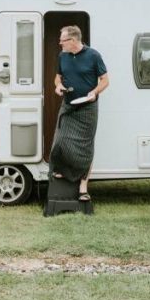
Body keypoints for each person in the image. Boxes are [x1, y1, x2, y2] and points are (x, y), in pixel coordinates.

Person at [50, 25, 108, 202]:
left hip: (87, 107)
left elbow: (105, 80)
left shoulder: (93, 55)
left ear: (73, 40)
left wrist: (94, 92)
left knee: (85, 147)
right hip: (68, 104)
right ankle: (64, 171)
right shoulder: (63, 56)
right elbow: (58, 77)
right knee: (60, 141)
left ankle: (83, 185)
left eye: (62, 40)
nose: (60, 43)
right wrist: (58, 86)